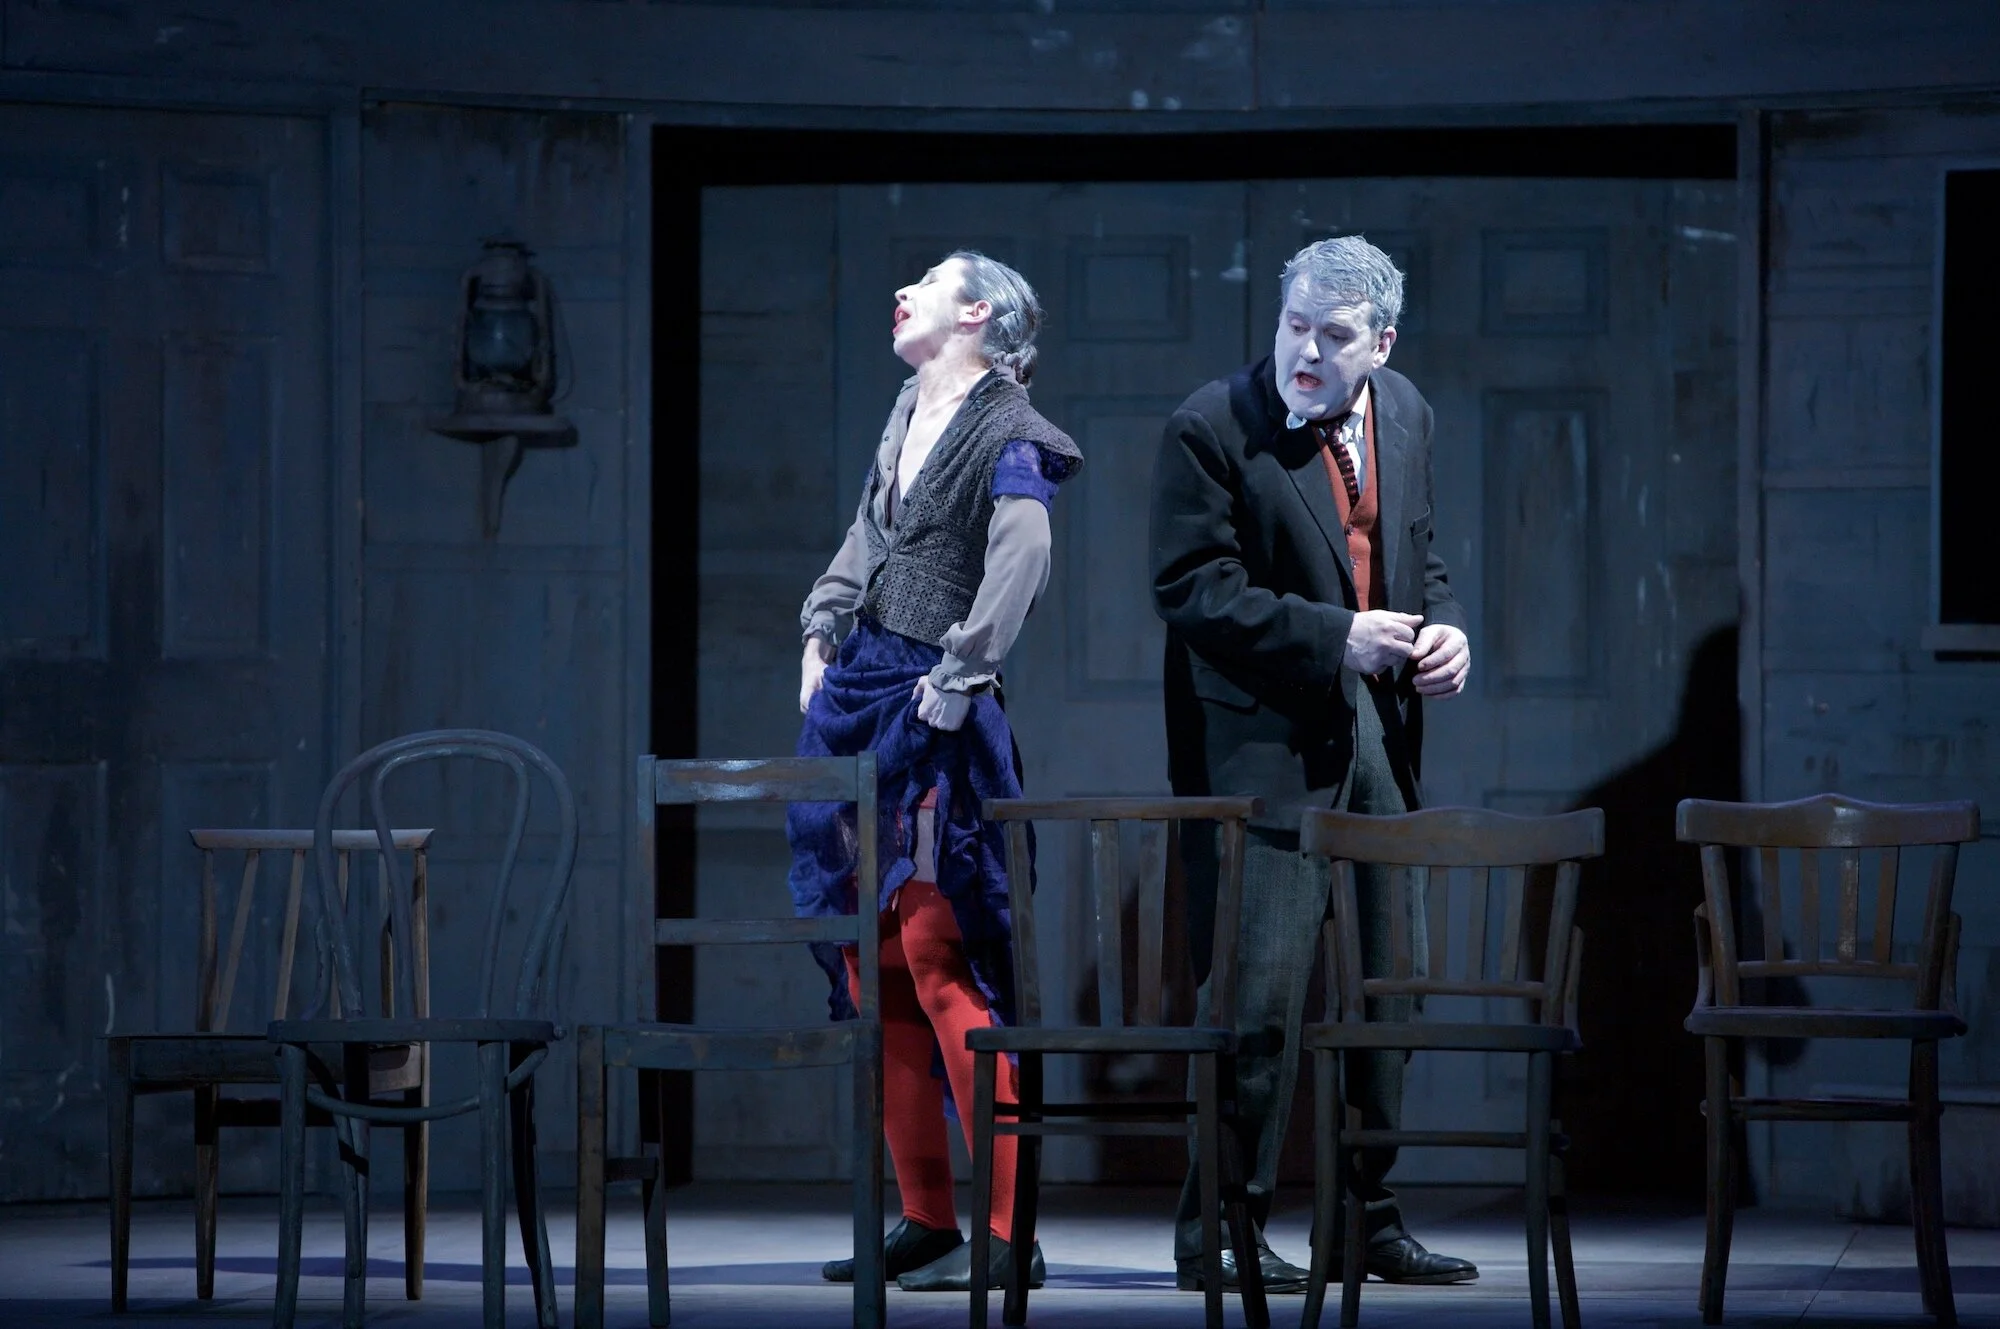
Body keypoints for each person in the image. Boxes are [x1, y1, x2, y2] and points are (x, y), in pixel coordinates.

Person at [1149, 235, 1477, 1293]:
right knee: (1255, 1000)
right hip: (1264, 744)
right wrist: (1334, 635)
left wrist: (1444, 629)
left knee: (1389, 990)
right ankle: (1221, 1228)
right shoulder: (1212, 424)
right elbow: (1193, 589)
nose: (1304, 351)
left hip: (1379, 727)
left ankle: (1364, 1220)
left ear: (1381, 343)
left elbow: (1417, 553)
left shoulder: (1407, 412)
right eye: (1294, 325)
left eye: (1332, 336)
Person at [789, 250, 1080, 1294]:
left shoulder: (1009, 427)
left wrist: (966, 668)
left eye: (926, 281)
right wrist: (821, 629)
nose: (901, 292)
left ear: (976, 312)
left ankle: (1008, 1229)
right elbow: (869, 533)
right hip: (864, 693)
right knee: (873, 958)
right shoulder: (908, 407)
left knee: (935, 945)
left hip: (932, 702)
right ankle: (924, 1216)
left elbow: (1025, 548)